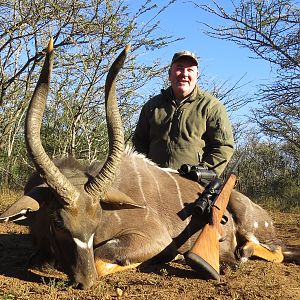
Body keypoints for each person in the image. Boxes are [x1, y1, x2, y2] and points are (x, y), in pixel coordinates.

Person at [133, 50, 234, 176]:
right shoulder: (152, 106)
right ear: (170, 74)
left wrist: (202, 173)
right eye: (179, 68)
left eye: (190, 70)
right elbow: (139, 144)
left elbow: (224, 147)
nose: (184, 74)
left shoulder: (212, 106)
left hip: (194, 184)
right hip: (155, 181)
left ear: (197, 76)